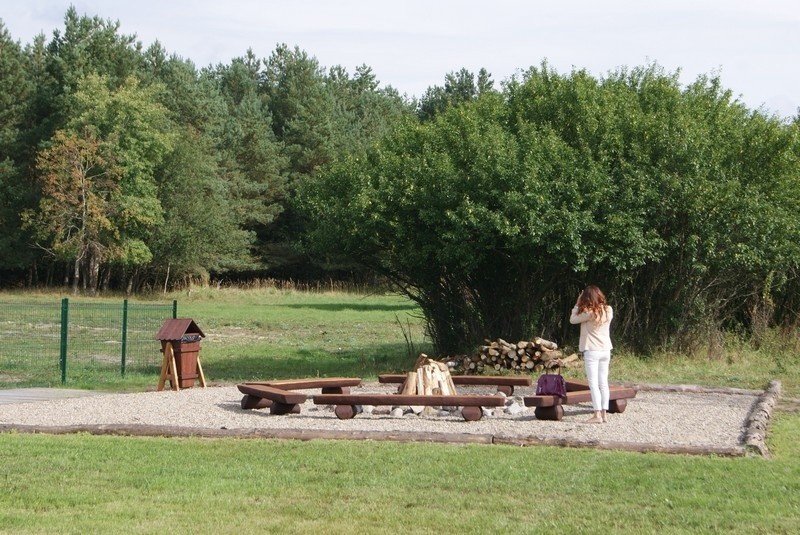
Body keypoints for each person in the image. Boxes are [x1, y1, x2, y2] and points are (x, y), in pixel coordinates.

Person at [570, 285, 613, 424]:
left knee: (593, 384)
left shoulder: (589, 313)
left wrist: (577, 304)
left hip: (592, 350)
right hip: (605, 350)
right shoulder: (609, 310)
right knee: (603, 383)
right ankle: (605, 413)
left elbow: (572, 320)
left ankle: (597, 415)